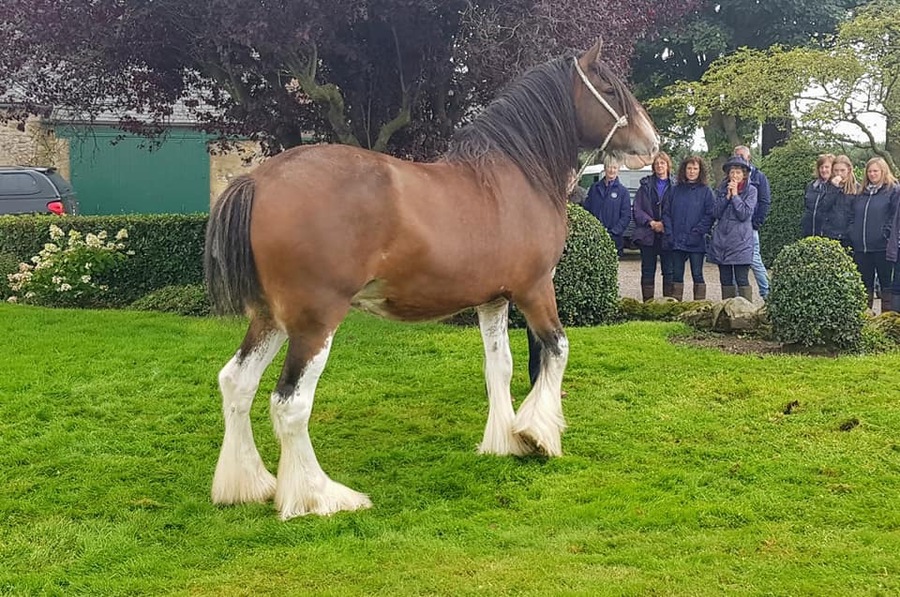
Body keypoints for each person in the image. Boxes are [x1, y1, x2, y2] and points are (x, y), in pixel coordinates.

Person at [849, 156, 899, 311]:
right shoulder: (861, 193)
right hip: (861, 247)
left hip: (882, 247)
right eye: (870, 171)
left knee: (886, 285)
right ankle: (866, 318)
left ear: (883, 171)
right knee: (865, 285)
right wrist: (853, 233)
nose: (872, 174)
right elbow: (852, 215)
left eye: (875, 171)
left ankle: (886, 320)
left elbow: (894, 216)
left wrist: (886, 233)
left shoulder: (893, 191)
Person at [663, 155, 715, 300]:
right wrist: (670, 233)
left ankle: (699, 307)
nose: (692, 171)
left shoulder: (706, 192)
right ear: (684, 170)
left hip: (696, 241)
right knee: (677, 274)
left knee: (697, 274)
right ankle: (676, 305)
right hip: (676, 240)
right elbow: (666, 213)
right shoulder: (674, 190)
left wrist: (697, 232)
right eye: (689, 168)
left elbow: (710, 215)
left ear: (700, 171)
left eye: (695, 169)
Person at [708, 155, 758, 301]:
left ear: (744, 174)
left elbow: (744, 214)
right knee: (725, 280)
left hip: (741, 242)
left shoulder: (752, 191)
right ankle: (727, 312)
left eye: (738, 172)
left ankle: (745, 313)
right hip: (722, 242)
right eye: (732, 172)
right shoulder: (722, 189)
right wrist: (727, 197)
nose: (734, 175)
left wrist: (736, 196)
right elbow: (715, 212)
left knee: (742, 279)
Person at [632, 151, 675, 301]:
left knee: (669, 271)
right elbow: (637, 209)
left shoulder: (675, 186)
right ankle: (648, 303)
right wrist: (651, 223)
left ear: (668, 165)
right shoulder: (645, 186)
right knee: (648, 270)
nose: (659, 166)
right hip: (647, 234)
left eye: (662, 163)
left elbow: (678, 209)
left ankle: (669, 304)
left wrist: (665, 224)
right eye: (657, 163)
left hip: (668, 234)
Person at [732, 146, 771, 299]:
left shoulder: (759, 177)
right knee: (735, 261)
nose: (739, 158)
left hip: (750, 226)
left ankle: (767, 294)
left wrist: (756, 223)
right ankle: (736, 298)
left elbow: (764, 201)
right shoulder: (731, 178)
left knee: (755, 260)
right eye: (736, 155)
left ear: (749, 157)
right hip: (735, 228)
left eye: (742, 155)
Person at [583, 156, 632, 257]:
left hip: (614, 240)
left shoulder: (623, 192)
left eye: (614, 168)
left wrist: (613, 232)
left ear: (618, 170)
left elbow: (626, 216)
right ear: (605, 168)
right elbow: (587, 210)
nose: (611, 170)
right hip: (594, 237)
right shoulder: (594, 188)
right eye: (609, 167)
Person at [801, 153, 841, 238]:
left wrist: (834, 187)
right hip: (809, 233)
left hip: (827, 235)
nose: (823, 170)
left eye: (827, 167)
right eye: (821, 167)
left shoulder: (837, 187)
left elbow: (827, 206)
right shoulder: (811, 186)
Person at [828, 154, 860, 248]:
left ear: (849, 170)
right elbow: (823, 206)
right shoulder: (828, 187)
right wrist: (834, 188)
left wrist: (851, 232)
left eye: (842, 170)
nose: (839, 174)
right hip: (830, 235)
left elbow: (857, 214)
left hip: (848, 238)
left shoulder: (857, 189)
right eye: (836, 170)